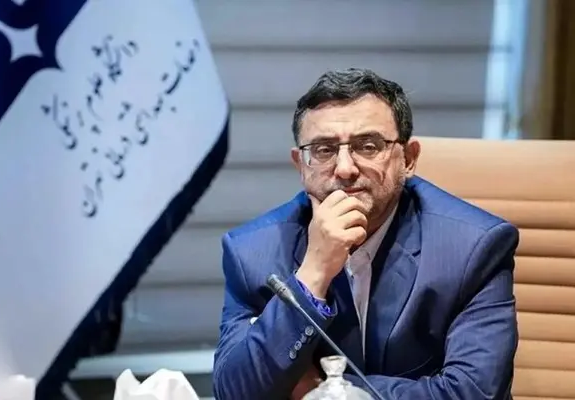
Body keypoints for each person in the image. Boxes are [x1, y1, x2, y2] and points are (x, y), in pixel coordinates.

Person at [212, 68, 519, 400]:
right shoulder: (252, 252)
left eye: (368, 146)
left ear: (409, 159)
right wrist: (313, 274)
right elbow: (235, 393)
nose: (345, 168)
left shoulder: (473, 248)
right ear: (301, 165)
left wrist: (328, 391)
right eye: (324, 150)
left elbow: (475, 393)